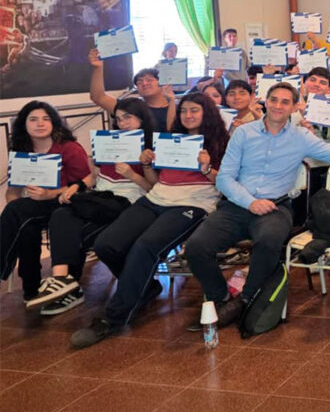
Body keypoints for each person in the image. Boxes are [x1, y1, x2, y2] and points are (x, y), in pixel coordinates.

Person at [181, 83, 330, 329]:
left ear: (293, 108)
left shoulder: (300, 137)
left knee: (269, 241)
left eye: (285, 102)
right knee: (196, 247)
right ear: (265, 102)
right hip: (237, 205)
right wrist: (251, 202)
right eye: (274, 100)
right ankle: (220, 298)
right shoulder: (243, 133)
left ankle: (245, 299)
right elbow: (225, 178)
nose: (278, 106)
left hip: (276, 207)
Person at [70, 92, 229, 348]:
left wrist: (207, 168)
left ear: (206, 113)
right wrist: (146, 165)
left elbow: (225, 187)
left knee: (145, 247)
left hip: (193, 204)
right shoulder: (168, 140)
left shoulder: (222, 142)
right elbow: (155, 182)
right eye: (184, 110)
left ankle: (114, 317)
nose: (188, 115)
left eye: (194, 110)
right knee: (106, 244)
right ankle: (144, 287)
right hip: (156, 198)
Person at [27, 98, 158, 313]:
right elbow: (95, 176)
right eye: (118, 118)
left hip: (129, 201)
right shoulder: (109, 141)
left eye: (128, 117)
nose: (122, 123)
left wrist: (133, 175)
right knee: (61, 214)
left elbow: (154, 190)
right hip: (101, 197)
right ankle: (61, 280)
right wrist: (78, 185)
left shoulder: (151, 147)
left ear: (142, 119)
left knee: (86, 235)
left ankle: (132, 284)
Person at [0, 102, 91, 303]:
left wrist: (50, 194)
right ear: (23, 125)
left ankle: (4, 269)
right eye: (33, 119)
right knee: (25, 226)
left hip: (67, 202)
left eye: (45, 118)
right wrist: (17, 213)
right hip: (35, 206)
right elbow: (12, 192)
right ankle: (31, 290)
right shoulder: (22, 151)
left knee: (19, 213)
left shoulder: (69, 148)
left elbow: (86, 184)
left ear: (54, 122)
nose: (40, 124)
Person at [89, 48, 176, 130]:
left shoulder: (179, 108)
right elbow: (98, 97)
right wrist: (98, 68)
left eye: (149, 80)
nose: (144, 84)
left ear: (162, 82)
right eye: (139, 82)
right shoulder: (132, 107)